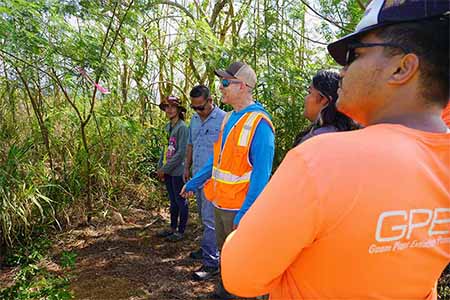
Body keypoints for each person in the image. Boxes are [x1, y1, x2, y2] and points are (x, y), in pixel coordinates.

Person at [221, 1, 449, 299]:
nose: (341, 71)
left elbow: (240, 277)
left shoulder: (323, 160)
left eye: (354, 54)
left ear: (402, 67)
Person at [181, 61, 275, 298]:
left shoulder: (259, 123)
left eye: (225, 83)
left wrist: (246, 211)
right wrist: (195, 181)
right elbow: (217, 161)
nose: (220, 88)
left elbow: (261, 175)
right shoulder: (228, 118)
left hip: (241, 209)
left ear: (242, 86)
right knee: (227, 256)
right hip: (221, 204)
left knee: (246, 262)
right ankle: (225, 292)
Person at [183, 85, 226, 280]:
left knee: (210, 220)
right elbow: (191, 144)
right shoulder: (193, 120)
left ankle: (211, 263)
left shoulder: (224, 119)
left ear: (210, 101)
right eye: (194, 108)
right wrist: (187, 167)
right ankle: (207, 248)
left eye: (201, 107)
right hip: (196, 176)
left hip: (213, 180)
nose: (198, 111)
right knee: (202, 215)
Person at [293, 70, 359, 146]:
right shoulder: (348, 134)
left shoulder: (317, 138)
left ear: (324, 99)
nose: (305, 98)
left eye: (309, 92)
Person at [156, 95, 189, 242]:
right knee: (173, 201)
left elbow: (181, 153)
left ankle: (181, 231)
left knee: (181, 201)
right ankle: (172, 228)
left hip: (178, 171)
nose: (169, 110)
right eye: (166, 107)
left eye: (172, 107)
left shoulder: (182, 128)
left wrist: (165, 169)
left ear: (178, 109)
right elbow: (164, 150)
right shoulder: (167, 127)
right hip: (168, 170)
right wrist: (160, 168)